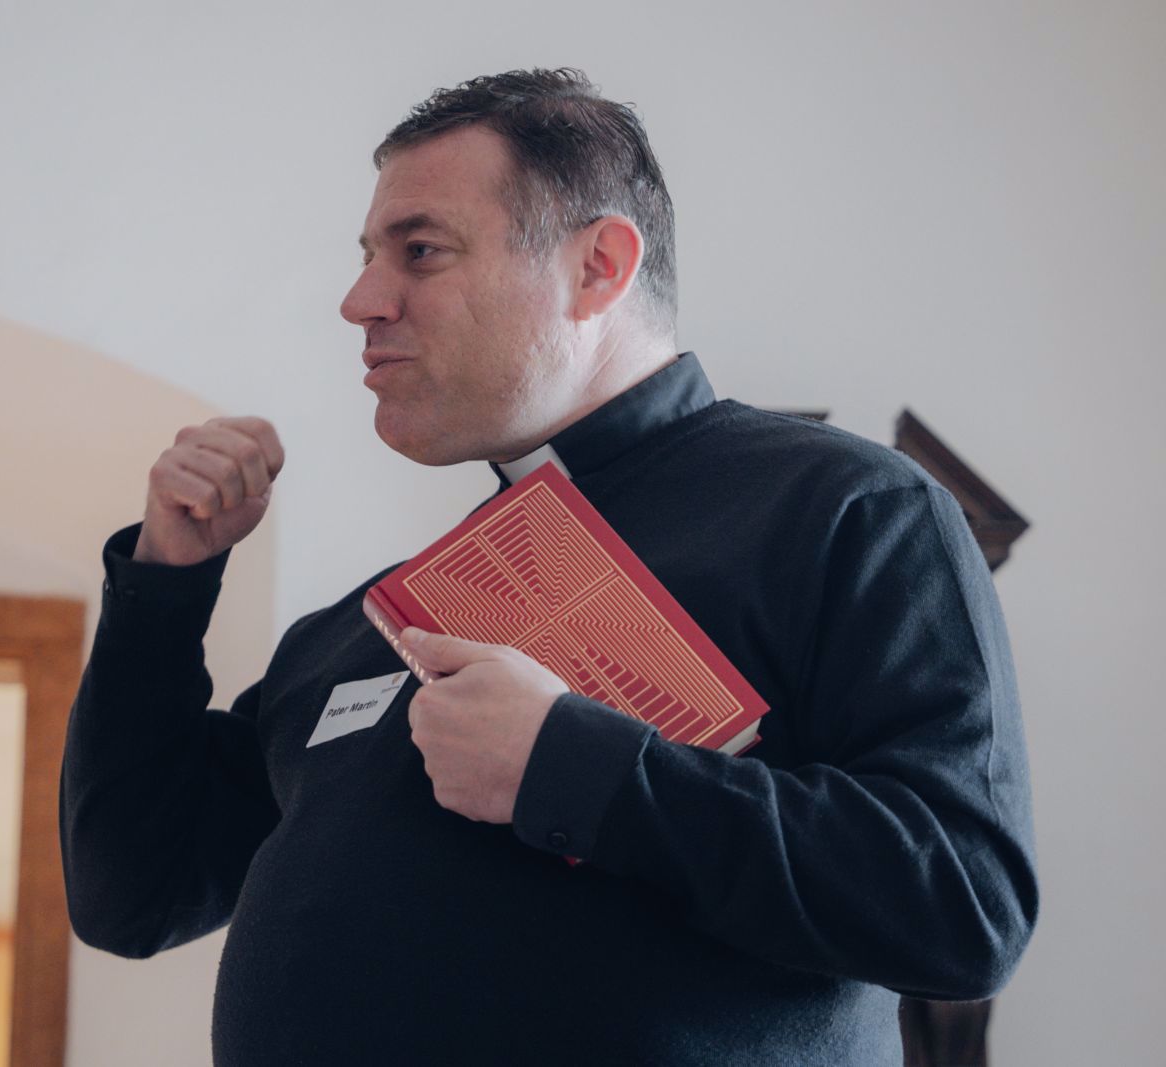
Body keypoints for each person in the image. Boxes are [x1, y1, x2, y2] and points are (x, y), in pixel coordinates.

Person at [59, 68, 1038, 1065]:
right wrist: (165, 582)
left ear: (598, 268)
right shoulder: (360, 628)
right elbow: (131, 893)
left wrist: (576, 768)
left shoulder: (844, 511)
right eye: (366, 258)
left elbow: (965, 905)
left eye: (420, 251)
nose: (360, 301)